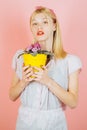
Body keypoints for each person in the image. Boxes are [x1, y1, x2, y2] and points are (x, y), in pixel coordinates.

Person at [9, 6, 82, 130]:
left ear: (54, 26)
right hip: (25, 123)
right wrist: (24, 81)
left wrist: (46, 81)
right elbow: (12, 95)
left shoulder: (70, 61)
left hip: (54, 124)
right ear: (31, 28)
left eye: (45, 22)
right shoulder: (21, 57)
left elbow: (73, 102)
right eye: (35, 23)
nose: (39, 27)